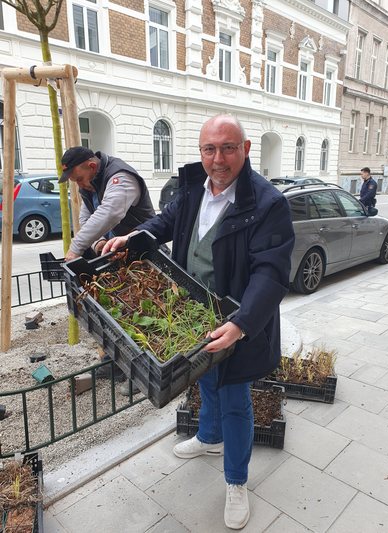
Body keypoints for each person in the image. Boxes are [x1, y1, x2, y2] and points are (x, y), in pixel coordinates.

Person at [102, 115, 295, 530]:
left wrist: (242, 323)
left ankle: (237, 481)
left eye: (227, 148)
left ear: (245, 149)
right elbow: (165, 222)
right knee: (204, 381)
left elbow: (271, 272)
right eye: (210, 149)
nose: (218, 158)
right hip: (194, 314)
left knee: (236, 401)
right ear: (201, 152)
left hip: (237, 321)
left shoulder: (268, 203)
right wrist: (132, 239)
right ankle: (209, 438)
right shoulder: (193, 187)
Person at [60, 146, 156, 389]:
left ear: (92, 167)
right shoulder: (88, 185)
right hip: (115, 257)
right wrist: (97, 242)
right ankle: (113, 364)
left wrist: (76, 249)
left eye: (79, 178)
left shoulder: (120, 177)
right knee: (114, 310)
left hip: (142, 256)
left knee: (142, 312)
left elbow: (110, 212)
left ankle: (143, 373)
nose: (78, 185)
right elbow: (86, 219)